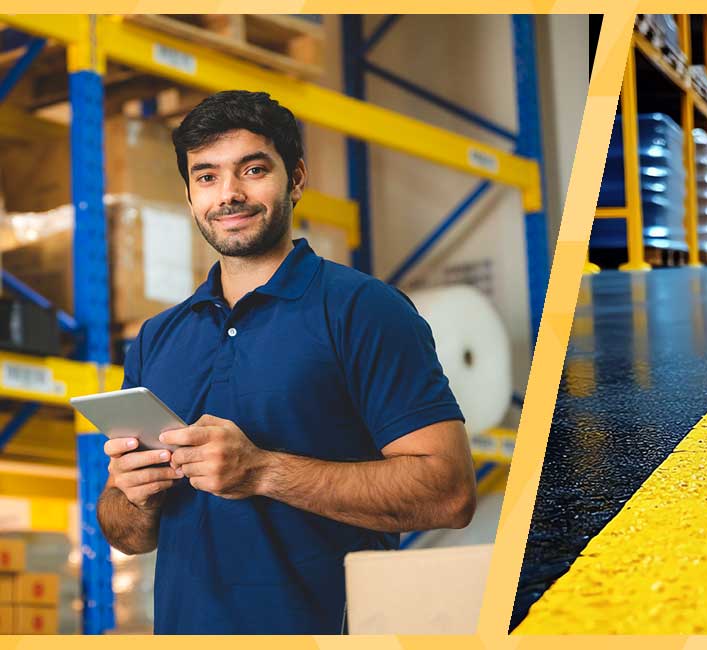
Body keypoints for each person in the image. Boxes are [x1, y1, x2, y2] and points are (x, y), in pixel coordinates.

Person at [94, 90, 478, 634]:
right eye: (206, 177)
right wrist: (134, 495)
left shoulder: (361, 309)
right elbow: (125, 534)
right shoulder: (158, 337)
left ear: (296, 179)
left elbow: (451, 493)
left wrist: (261, 471)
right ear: (189, 194)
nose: (229, 194)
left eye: (252, 170)